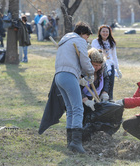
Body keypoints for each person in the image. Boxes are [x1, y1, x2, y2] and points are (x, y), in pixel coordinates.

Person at [55, 21, 94, 154]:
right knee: (78, 108)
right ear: (83, 33)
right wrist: (91, 72)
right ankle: (76, 142)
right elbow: (84, 59)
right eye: (87, 36)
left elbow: (69, 61)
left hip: (59, 76)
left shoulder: (64, 40)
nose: (87, 39)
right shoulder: (79, 40)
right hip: (69, 75)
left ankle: (70, 141)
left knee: (71, 109)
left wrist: (80, 77)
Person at [91, 25, 122, 101]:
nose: (105, 33)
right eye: (103, 31)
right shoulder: (95, 42)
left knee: (110, 85)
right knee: (100, 84)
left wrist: (117, 69)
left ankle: (109, 100)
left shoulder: (112, 43)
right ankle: (98, 101)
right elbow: (93, 54)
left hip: (110, 66)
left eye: (107, 31)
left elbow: (114, 56)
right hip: (100, 66)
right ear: (100, 32)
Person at [80, 48, 110, 112]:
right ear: (89, 63)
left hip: (93, 93)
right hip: (80, 95)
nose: (98, 67)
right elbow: (77, 87)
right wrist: (85, 99)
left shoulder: (103, 67)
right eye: (95, 65)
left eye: (99, 65)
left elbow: (106, 78)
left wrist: (105, 92)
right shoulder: (82, 70)